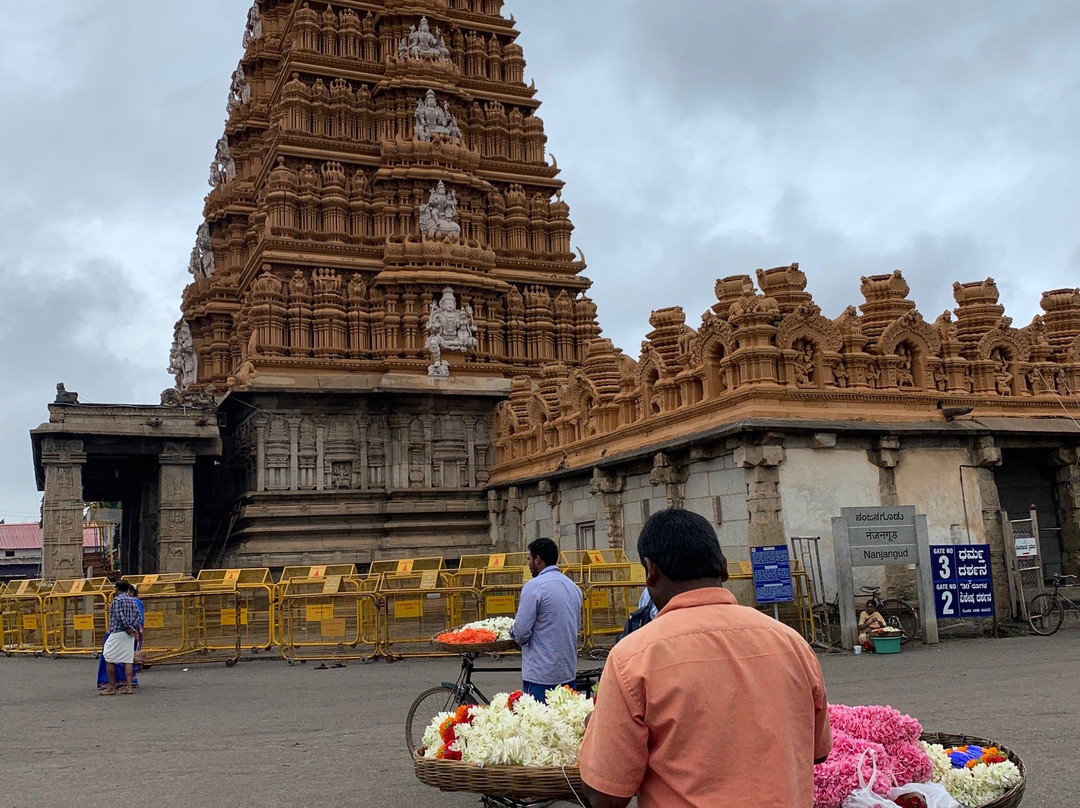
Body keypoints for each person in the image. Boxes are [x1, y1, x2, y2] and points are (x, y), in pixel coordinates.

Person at [579, 509, 832, 808]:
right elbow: (818, 752)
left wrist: (595, 733)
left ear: (651, 571)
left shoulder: (633, 657)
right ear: (724, 569)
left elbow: (607, 795)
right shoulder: (793, 643)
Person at [509, 538, 582, 704]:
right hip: (567, 672)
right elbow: (575, 625)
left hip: (541, 675)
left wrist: (512, 634)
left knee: (538, 725)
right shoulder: (573, 587)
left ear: (537, 559)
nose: (528, 564)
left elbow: (520, 632)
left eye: (529, 559)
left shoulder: (534, 586)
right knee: (565, 723)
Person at [96, 585, 144, 690]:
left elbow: (120, 616)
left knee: (108, 657)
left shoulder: (117, 600)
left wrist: (128, 628)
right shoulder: (133, 600)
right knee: (127, 659)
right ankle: (129, 686)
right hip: (130, 634)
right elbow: (138, 617)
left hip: (118, 632)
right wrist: (133, 630)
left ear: (117, 589)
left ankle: (111, 687)